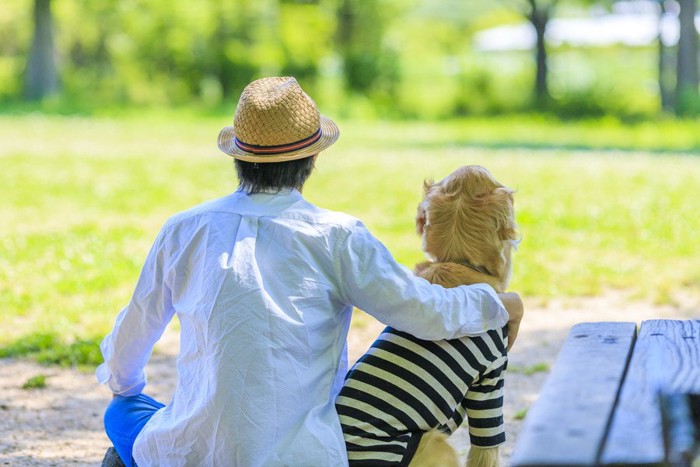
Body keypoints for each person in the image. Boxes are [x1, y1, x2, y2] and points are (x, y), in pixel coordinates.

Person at [96, 76, 524, 467]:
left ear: (239, 158)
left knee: (122, 413)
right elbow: (424, 311)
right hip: (304, 454)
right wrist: (500, 304)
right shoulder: (338, 236)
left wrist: (124, 383)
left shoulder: (183, 228)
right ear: (313, 158)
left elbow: (133, 335)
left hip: (189, 452)